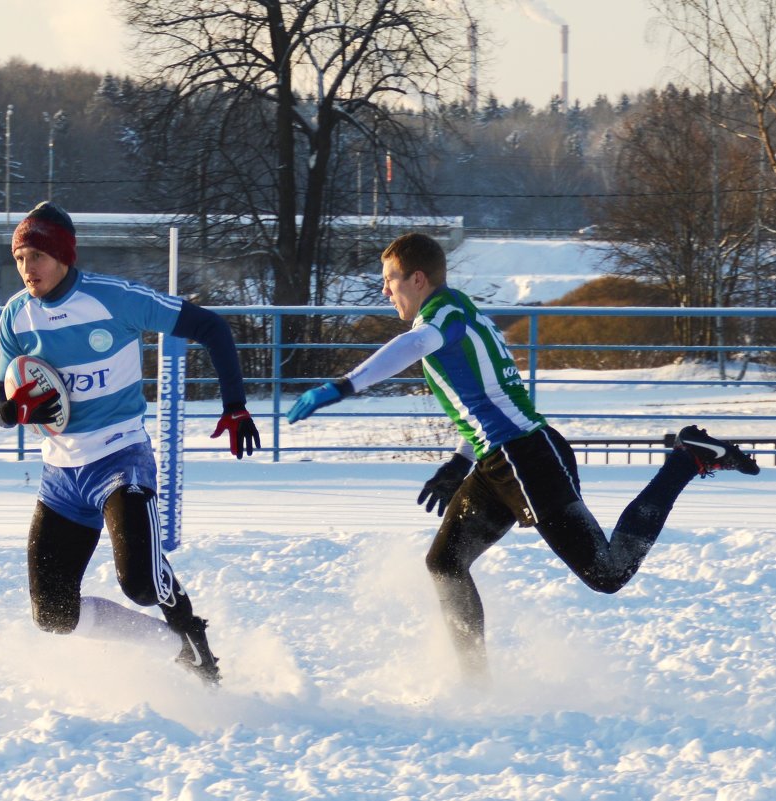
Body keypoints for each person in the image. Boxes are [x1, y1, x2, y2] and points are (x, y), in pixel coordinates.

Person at [286, 232, 761, 680]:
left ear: (417, 279)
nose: (385, 291)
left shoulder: (441, 317)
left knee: (608, 572)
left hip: (524, 458)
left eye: (389, 280)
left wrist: (342, 386)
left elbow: (411, 346)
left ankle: (686, 460)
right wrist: (458, 462)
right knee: (445, 564)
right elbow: (483, 400)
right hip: (500, 460)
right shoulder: (462, 316)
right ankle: (474, 683)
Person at [0, 201, 261, 686]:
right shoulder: (17, 316)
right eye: (19, 258)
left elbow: (211, 327)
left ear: (64, 255)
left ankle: (191, 633)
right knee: (52, 612)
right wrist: (9, 410)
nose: (28, 268)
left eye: (37, 256)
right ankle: (174, 648)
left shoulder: (114, 299)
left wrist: (235, 405)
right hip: (61, 477)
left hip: (120, 459)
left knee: (139, 583)